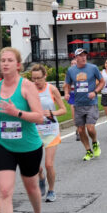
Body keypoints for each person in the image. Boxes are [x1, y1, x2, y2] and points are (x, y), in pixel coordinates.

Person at [0, 47, 45, 213]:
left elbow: (39, 117)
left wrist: (18, 113)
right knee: (5, 191)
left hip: (28, 146)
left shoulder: (27, 86)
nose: (5, 63)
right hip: (3, 144)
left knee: (32, 189)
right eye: (2, 60)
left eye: (9, 60)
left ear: (18, 65)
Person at [30, 64, 66, 202]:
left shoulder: (52, 89)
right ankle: (41, 176)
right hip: (34, 131)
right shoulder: (29, 90)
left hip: (51, 130)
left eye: (39, 78)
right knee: (34, 164)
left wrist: (52, 113)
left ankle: (51, 190)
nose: (36, 81)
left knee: (49, 164)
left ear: (45, 76)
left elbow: (63, 109)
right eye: (34, 79)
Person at [64, 48, 105, 161]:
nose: (83, 57)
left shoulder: (93, 68)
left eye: (85, 55)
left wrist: (95, 92)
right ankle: (88, 151)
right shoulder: (71, 70)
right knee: (81, 130)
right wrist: (67, 93)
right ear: (76, 58)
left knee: (90, 128)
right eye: (81, 55)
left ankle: (95, 142)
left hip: (91, 103)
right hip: (78, 104)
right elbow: (67, 84)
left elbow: (102, 82)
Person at [64, 59, 80, 141]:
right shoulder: (68, 74)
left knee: (81, 115)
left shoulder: (81, 73)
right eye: (72, 63)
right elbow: (65, 85)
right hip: (72, 95)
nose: (73, 64)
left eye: (75, 63)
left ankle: (79, 130)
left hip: (80, 95)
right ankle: (78, 131)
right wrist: (66, 93)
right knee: (74, 116)